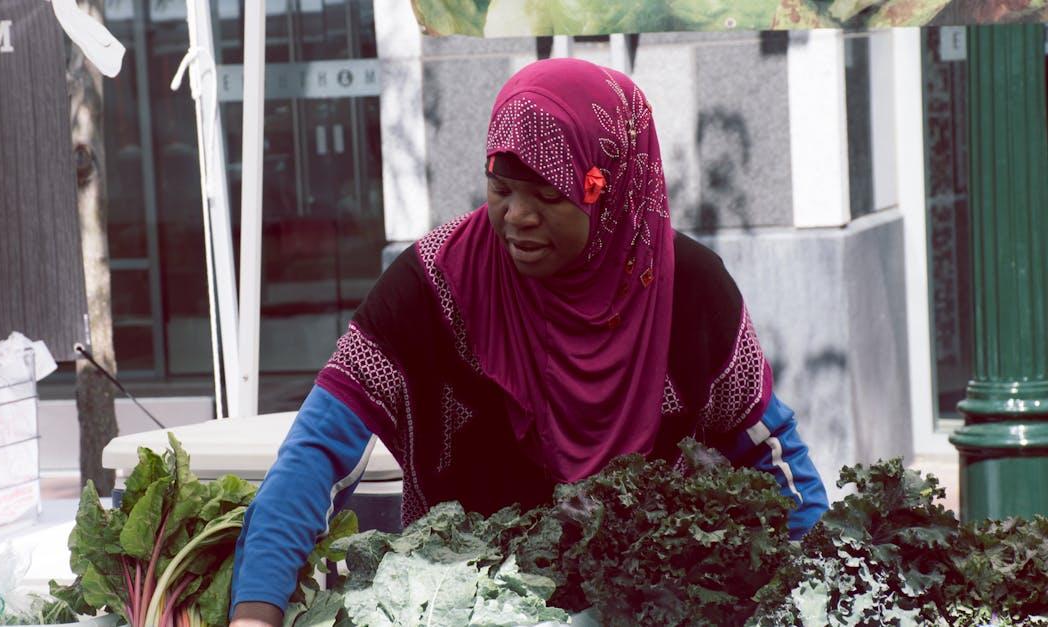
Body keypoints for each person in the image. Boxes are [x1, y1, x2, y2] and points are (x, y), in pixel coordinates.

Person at [229, 58, 828, 627]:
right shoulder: (436, 286)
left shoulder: (691, 292)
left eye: (546, 195)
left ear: (611, 191)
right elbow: (315, 451)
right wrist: (256, 608)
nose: (516, 216)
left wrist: (818, 590)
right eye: (501, 186)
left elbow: (772, 453)